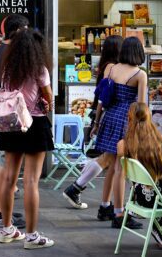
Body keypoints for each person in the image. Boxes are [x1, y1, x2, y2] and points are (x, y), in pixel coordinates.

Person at [63, 37, 146, 229]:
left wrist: (96, 123)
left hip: (109, 117)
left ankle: (105, 206)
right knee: (120, 169)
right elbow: (141, 107)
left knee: (110, 162)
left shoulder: (111, 69)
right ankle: (119, 214)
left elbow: (101, 98)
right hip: (126, 121)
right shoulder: (139, 75)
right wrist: (141, 130)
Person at [0, 29, 55, 249]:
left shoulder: (8, 69)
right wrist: (46, 102)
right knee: (31, 181)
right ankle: (31, 236)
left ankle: (7, 229)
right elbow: (48, 95)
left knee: (9, 178)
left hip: (11, 124)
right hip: (35, 123)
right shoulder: (39, 68)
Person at [62, 35, 124, 222]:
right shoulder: (112, 68)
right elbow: (105, 97)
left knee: (108, 159)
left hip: (106, 116)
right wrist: (96, 122)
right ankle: (79, 190)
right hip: (111, 117)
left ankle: (97, 200)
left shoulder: (108, 66)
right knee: (111, 160)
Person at [117, 102, 162, 249]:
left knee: (145, 187)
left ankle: (151, 222)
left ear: (130, 119)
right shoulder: (160, 138)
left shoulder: (124, 144)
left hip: (150, 196)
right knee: (157, 190)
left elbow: (129, 173)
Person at [0, 14, 29, 228]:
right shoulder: (12, 53)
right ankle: (2, 213)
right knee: (4, 163)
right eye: (26, 29)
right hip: (9, 114)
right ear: (19, 29)